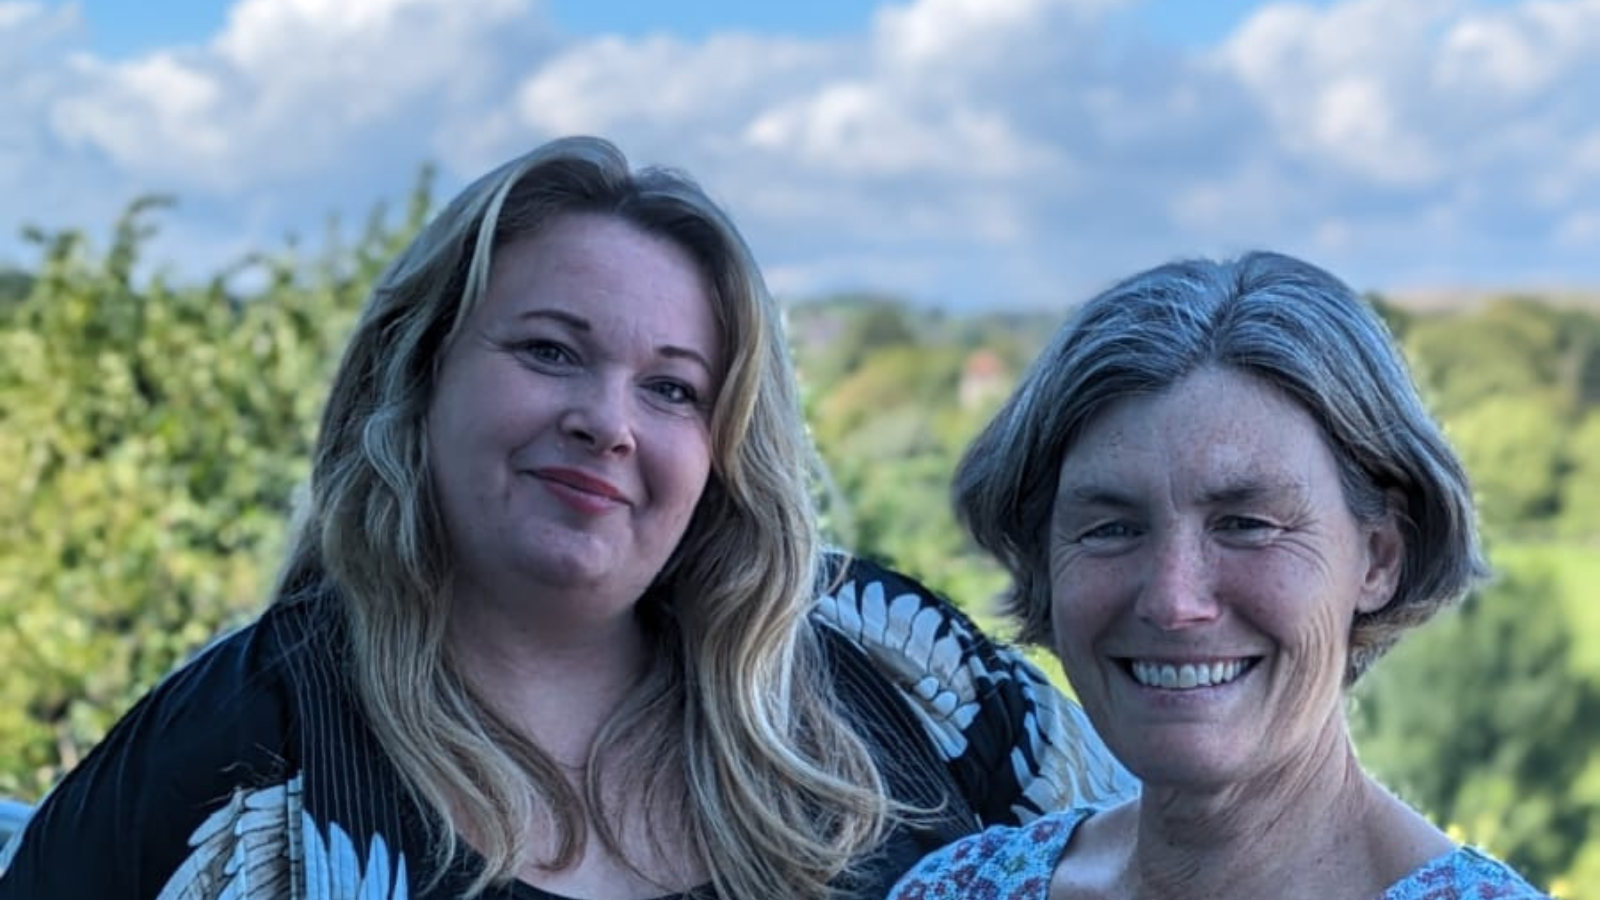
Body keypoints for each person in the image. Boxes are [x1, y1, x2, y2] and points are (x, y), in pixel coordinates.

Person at [0, 136, 1132, 900]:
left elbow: (1176, 843)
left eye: (673, 388)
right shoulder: (249, 746)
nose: (608, 422)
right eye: (550, 351)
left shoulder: (893, 668)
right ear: (420, 374)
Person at [888, 252, 1551, 899]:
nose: (1174, 601)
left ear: (1380, 558)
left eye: (1247, 523)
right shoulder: (959, 888)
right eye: (1112, 528)